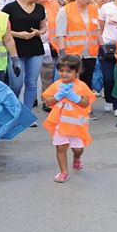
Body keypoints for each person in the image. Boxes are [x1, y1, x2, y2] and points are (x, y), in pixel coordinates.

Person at [42, 54, 96, 183]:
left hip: (76, 124)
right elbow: (48, 101)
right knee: (61, 147)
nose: (64, 74)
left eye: (69, 71)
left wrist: (73, 96)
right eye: (61, 71)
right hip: (60, 123)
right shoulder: (57, 85)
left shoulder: (81, 86)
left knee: (78, 149)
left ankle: (77, 158)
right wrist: (58, 96)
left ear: (77, 72)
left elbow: (85, 103)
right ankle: (63, 172)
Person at [2, 0, 48, 110]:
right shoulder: (10, 8)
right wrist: (18, 34)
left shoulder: (40, 8)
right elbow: (2, 30)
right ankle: (12, 108)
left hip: (35, 48)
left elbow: (43, 26)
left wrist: (40, 32)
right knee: (16, 83)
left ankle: (27, 113)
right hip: (15, 50)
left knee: (32, 83)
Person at [57, 0, 102, 94]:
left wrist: (102, 46)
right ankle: (70, 105)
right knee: (71, 81)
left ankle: (84, 106)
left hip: (90, 52)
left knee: (87, 81)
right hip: (72, 52)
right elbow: (61, 33)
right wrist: (62, 52)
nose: (90, 0)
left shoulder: (94, 9)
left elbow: (97, 29)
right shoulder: (65, 10)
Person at [39, 0, 61, 102]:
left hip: (52, 44)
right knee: (36, 75)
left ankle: (47, 100)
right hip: (36, 43)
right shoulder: (30, 5)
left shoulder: (53, 5)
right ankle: (36, 97)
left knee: (49, 72)